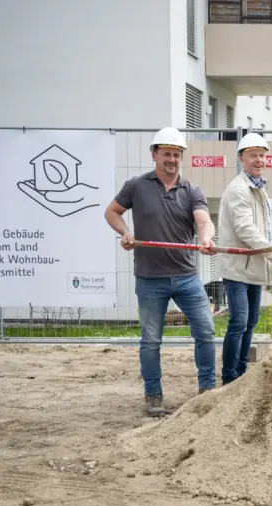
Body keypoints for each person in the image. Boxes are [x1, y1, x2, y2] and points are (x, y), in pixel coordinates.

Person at [104, 127, 217, 417]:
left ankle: (207, 389)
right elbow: (112, 212)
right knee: (151, 340)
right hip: (150, 279)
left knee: (205, 331)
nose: (172, 159)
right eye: (166, 153)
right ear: (154, 155)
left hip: (187, 276)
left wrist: (205, 238)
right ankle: (153, 395)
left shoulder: (192, 190)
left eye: (177, 154)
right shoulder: (136, 186)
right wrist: (126, 233)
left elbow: (203, 220)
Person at [216, 132, 272, 385]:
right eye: (253, 155)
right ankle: (230, 377)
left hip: (254, 265)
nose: (259, 160)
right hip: (238, 266)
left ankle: (241, 372)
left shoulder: (259, 187)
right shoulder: (238, 190)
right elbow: (246, 231)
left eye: (262, 155)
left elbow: (262, 230)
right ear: (242, 158)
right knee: (239, 321)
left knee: (250, 321)